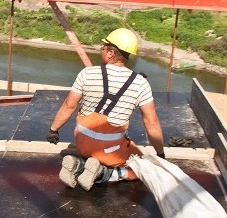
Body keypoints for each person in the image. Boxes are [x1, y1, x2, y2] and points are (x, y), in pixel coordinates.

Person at [47, 28, 165, 191]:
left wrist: (54, 130)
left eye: (103, 48)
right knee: (141, 167)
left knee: (92, 149)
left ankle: (78, 164)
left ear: (110, 53)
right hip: (111, 150)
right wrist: (160, 154)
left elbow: (69, 105)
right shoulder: (140, 83)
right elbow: (151, 122)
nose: (101, 51)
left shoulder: (86, 74)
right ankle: (102, 173)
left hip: (83, 144)